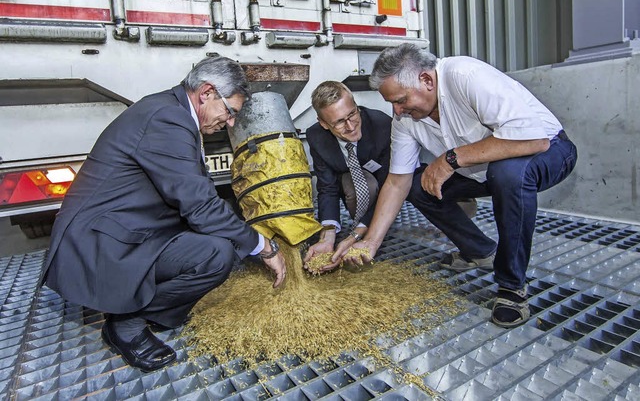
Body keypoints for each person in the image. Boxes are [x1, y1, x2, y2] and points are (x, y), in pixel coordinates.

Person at [42, 55, 286, 372]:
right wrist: (265, 246)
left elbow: (196, 196)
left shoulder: (172, 111)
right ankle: (126, 321)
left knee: (219, 244)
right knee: (217, 254)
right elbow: (201, 207)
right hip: (100, 243)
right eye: (230, 112)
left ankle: (147, 305)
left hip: (129, 227)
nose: (229, 123)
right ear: (207, 92)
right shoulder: (167, 119)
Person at [334, 43, 578, 328]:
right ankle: (479, 251)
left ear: (426, 80)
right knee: (416, 184)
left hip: (548, 153)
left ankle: (512, 286)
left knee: (508, 174)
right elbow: (398, 181)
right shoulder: (405, 119)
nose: (396, 110)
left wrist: (450, 159)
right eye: (392, 103)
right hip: (480, 171)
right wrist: (370, 243)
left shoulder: (466, 75)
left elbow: (535, 140)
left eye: (400, 100)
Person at [302, 81, 392, 266]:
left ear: (356, 106)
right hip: (347, 182)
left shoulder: (381, 125)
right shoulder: (316, 136)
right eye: (339, 122)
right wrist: (327, 236)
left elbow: (390, 187)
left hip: (381, 185)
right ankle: (359, 225)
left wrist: (357, 235)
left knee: (369, 184)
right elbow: (327, 187)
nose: (351, 127)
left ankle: (369, 228)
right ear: (324, 124)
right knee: (354, 183)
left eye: (352, 114)